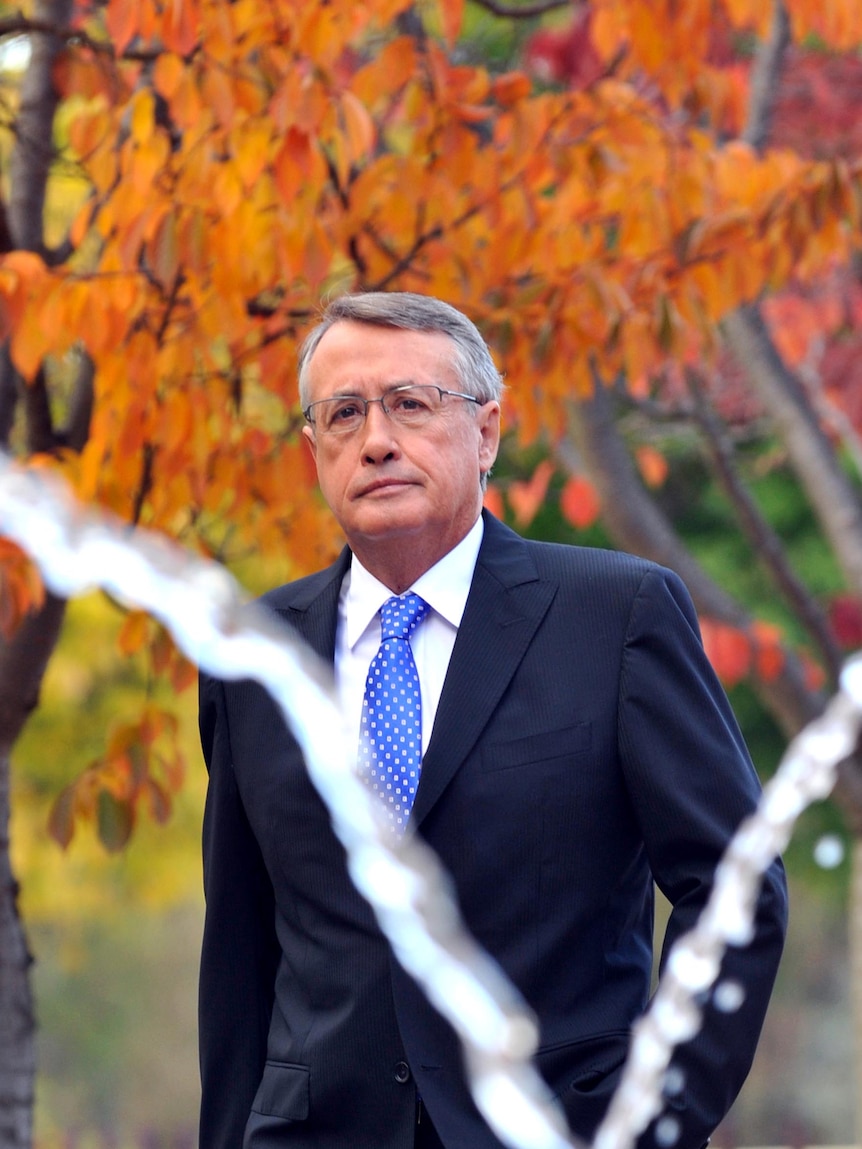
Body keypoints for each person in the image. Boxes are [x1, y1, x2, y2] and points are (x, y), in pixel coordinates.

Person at [198, 291, 788, 1149]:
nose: (376, 440)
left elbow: (736, 890)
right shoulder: (252, 655)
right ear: (313, 447)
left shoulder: (615, 616)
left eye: (410, 404)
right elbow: (240, 954)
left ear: (488, 433)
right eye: (344, 414)